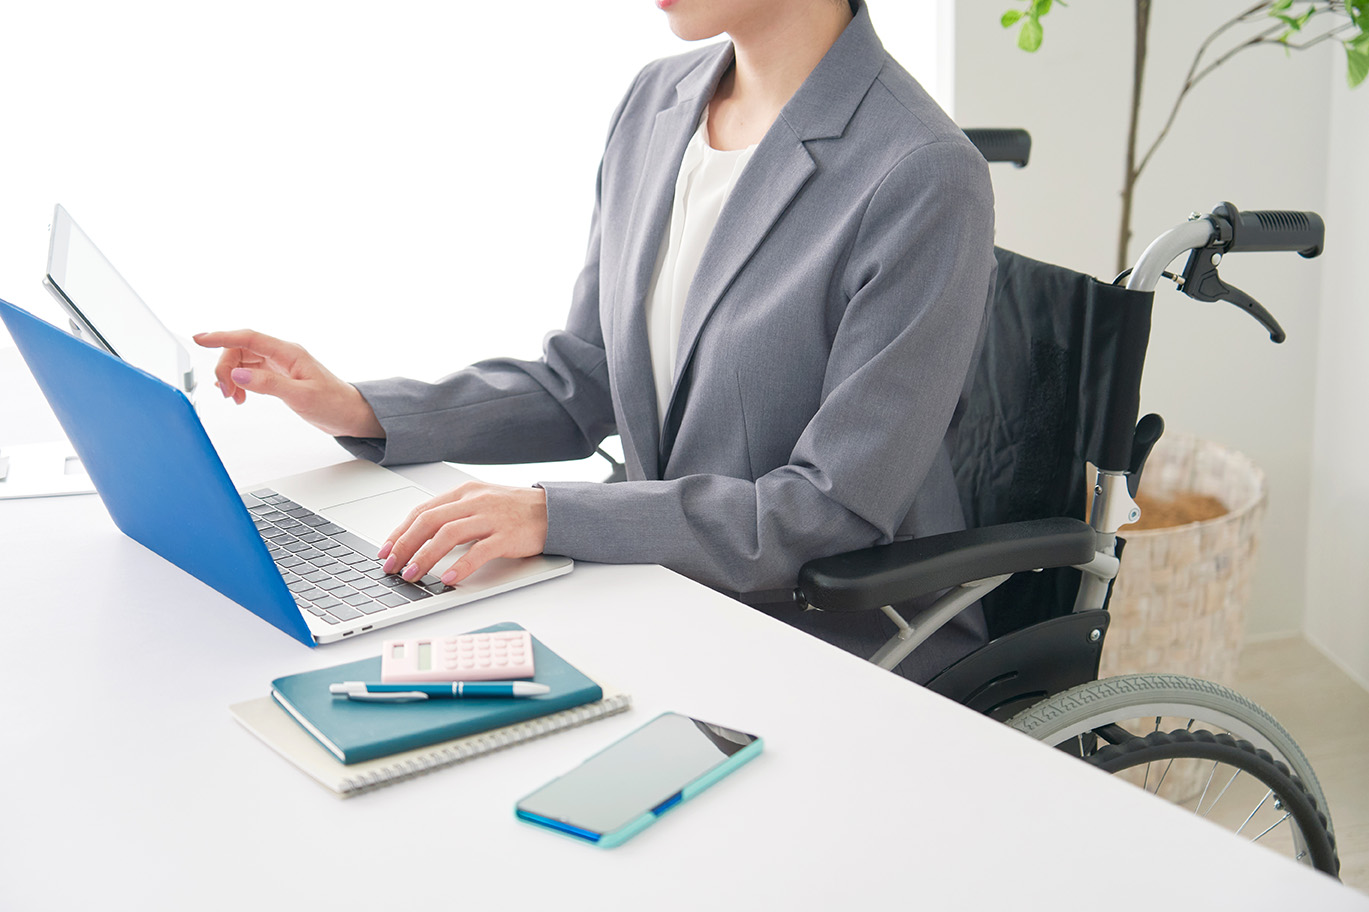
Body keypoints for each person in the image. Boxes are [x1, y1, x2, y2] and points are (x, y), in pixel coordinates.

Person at [195, 0, 996, 683]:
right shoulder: (659, 101)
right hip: (660, 593)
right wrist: (359, 407)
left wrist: (552, 516)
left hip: (835, 639)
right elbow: (586, 380)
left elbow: (827, 510)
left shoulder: (921, 171)